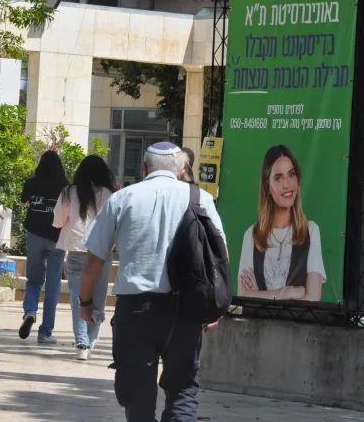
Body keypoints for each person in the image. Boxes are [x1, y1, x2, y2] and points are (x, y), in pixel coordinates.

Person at [80, 141, 225, 422]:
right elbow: (219, 256)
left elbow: (94, 261)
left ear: (144, 168)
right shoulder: (201, 199)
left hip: (136, 312)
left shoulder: (122, 199)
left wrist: (85, 302)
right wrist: (213, 306)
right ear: (183, 171)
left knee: (138, 398)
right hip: (186, 311)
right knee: (182, 390)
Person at [238, 144, 325, 302]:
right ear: (267, 187)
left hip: (298, 327)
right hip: (258, 326)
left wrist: (260, 295)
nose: (287, 184)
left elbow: (313, 298)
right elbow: (243, 296)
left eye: (291, 174)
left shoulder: (310, 231)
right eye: (278, 178)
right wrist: (287, 292)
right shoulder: (251, 235)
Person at [52, 155, 114, 360]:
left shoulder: (68, 192)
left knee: (77, 297)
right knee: (98, 297)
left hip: (76, 248)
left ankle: (82, 342)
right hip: (100, 251)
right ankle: (91, 340)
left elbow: (58, 221)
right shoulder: (107, 193)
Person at [18, 150, 69, 343]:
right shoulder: (65, 186)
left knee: (33, 280)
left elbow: (23, 201)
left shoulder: (32, 182)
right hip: (57, 237)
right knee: (53, 285)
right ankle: (45, 332)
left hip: (34, 234)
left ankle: (30, 311)